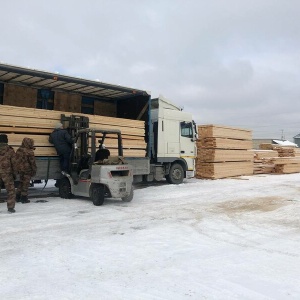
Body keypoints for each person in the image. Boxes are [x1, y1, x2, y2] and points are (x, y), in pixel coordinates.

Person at [15, 138, 37, 204]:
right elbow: (32, 162)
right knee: (26, 184)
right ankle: (24, 198)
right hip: (27, 170)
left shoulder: (19, 150)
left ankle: (17, 196)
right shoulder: (29, 152)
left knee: (21, 182)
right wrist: (34, 169)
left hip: (20, 169)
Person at [0, 134, 17, 213]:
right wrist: (14, 174)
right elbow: (14, 163)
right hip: (7, 173)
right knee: (10, 191)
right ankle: (10, 207)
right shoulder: (10, 150)